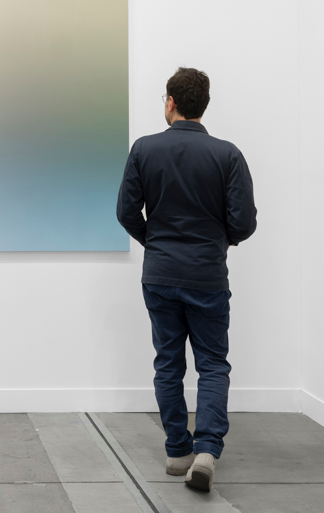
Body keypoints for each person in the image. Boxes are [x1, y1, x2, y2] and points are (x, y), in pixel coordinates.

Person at [116, 67, 257, 492]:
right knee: (212, 364)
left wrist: (155, 242)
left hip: (160, 275)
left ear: (171, 102)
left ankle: (178, 450)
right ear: (204, 105)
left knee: (168, 363)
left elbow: (126, 212)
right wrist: (219, 242)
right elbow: (244, 222)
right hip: (207, 275)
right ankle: (207, 451)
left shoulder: (144, 149)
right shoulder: (227, 155)